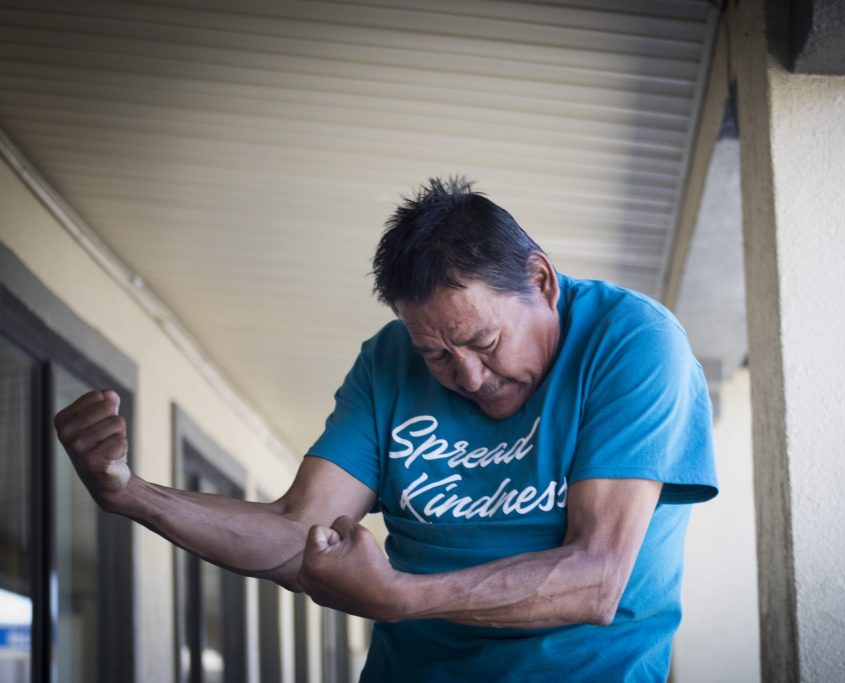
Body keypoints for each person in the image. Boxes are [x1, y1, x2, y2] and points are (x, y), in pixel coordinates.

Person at [54, 177, 718, 681]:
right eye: (437, 353)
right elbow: (296, 534)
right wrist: (130, 493)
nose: (470, 375)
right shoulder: (386, 360)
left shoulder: (631, 341)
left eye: (484, 340)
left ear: (541, 279)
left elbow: (596, 576)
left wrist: (401, 596)